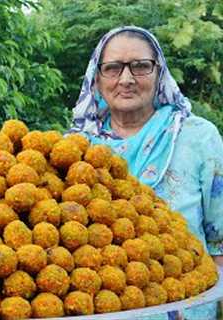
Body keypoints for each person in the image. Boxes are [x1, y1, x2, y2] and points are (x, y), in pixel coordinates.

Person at [70, 26, 223, 320]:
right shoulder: (77, 148)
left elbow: (220, 242)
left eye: (140, 66)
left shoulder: (198, 138)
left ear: (158, 73)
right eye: (113, 68)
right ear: (97, 79)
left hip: (185, 307)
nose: (126, 79)